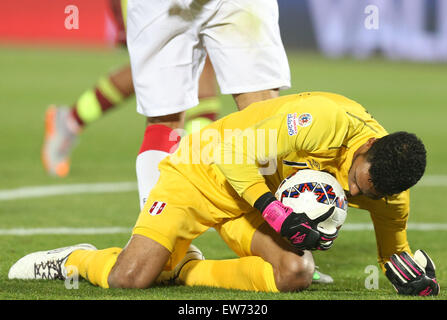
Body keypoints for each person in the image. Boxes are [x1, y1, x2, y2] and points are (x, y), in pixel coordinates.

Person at [9, 92, 439, 295]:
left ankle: (185, 270)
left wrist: (412, 279)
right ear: (365, 147)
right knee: (130, 279)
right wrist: (277, 214)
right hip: (203, 172)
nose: (349, 192)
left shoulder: (389, 191)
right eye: (355, 180)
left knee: (296, 273)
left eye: (365, 195)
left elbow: (393, 253)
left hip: (249, 202)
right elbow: (233, 152)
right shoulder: (323, 120)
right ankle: (74, 259)